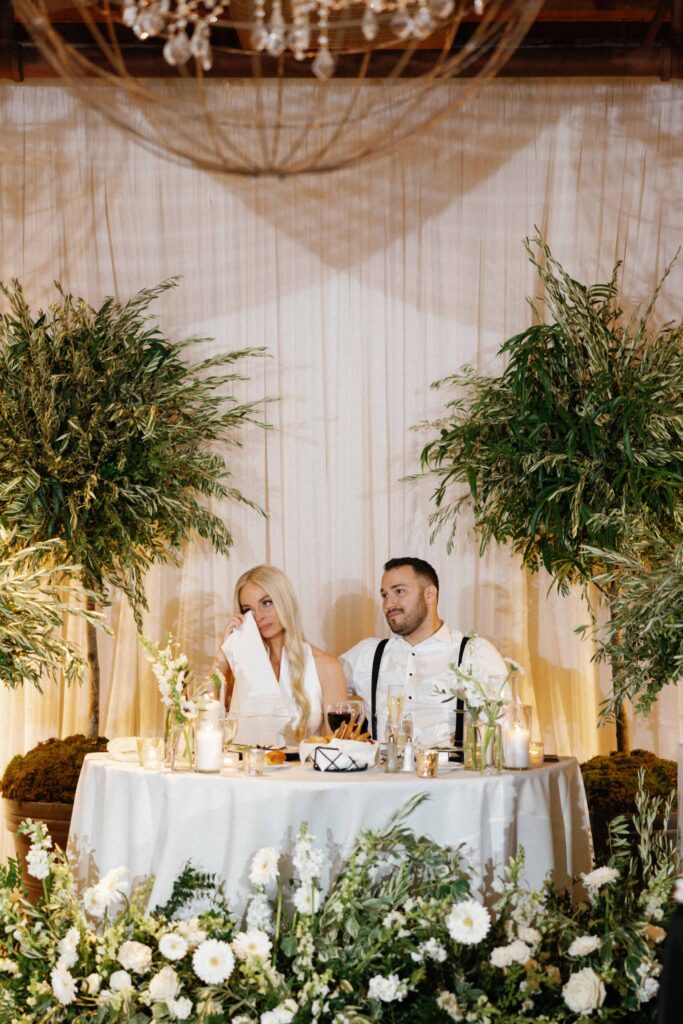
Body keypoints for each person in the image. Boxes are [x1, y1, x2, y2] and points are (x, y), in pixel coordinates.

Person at [340, 557, 508, 741]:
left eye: (399, 591)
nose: (388, 604)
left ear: (429, 594)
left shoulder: (474, 653)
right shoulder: (368, 653)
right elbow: (321, 681)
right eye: (385, 595)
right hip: (382, 769)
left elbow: (503, 728)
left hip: (451, 769)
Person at [214, 564, 348, 744]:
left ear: (284, 601)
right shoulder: (239, 667)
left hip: (303, 771)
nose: (259, 616)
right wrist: (223, 655)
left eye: (266, 603)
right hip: (247, 770)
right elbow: (203, 719)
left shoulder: (326, 666)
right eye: (248, 610)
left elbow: (338, 746)